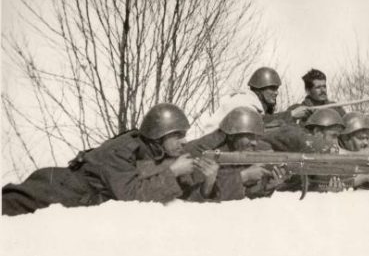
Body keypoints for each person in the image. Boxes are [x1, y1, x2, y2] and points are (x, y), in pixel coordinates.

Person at [2, 103, 216, 216]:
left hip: (84, 199)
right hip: (62, 189)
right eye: (176, 135)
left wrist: (208, 182)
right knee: (10, 204)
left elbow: (183, 199)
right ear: (158, 135)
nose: (183, 141)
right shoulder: (123, 150)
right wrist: (173, 173)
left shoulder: (164, 155)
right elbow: (131, 196)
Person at [185, 107, 288, 199]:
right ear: (232, 135)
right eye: (250, 136)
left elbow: (245, 195)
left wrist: (268, 187)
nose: (254, 143)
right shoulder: (204, 153)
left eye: (257, 137)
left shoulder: (242, 153)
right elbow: (202, 198)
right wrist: (244, 177)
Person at [200, 67, 311, 134]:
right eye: (272, 88)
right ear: (259, 89)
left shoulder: (251, 102)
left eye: (276, 89)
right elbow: (259, 122)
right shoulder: (244, 101)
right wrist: (291, 115)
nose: (276, 92)